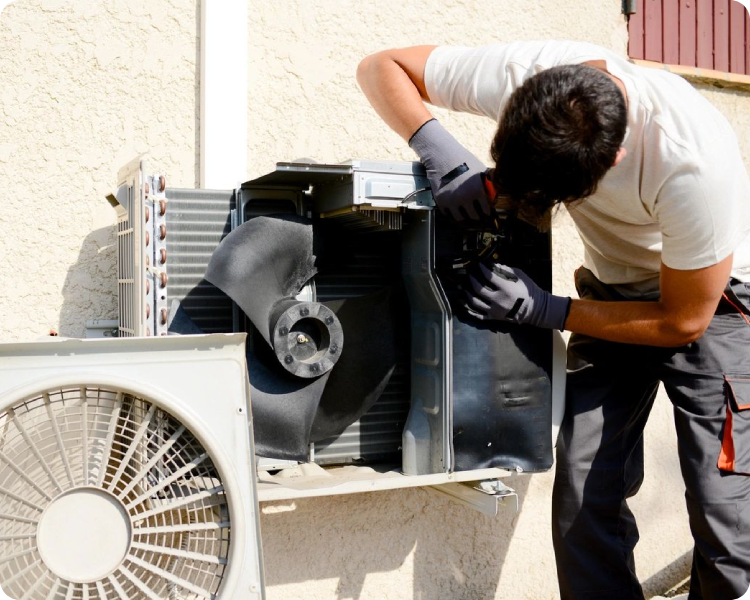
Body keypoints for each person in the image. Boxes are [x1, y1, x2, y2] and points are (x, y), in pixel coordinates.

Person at [357, 40, 750, 600]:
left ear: (608, 164)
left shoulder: (693, 164)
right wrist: (437, 146)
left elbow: (682, 321)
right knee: (583, 498)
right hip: (612, 294)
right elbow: (381, 67)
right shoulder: (533, 75)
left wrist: (550, 310)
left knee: (728, 522)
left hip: (713, 307)